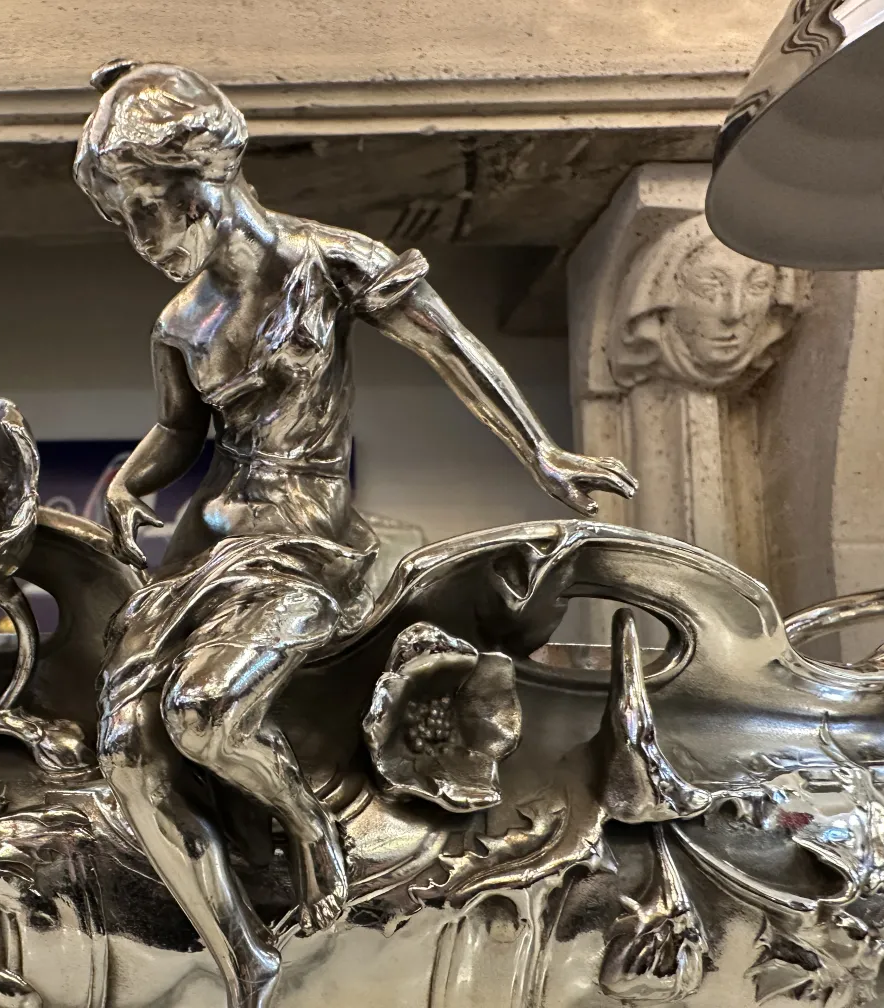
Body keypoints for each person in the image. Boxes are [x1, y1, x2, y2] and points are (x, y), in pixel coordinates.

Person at [75, 59, 637, 1008]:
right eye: (121, 216)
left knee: (205, 716)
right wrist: (126, 485)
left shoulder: (327, 262)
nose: (136, 237)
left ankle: (307, 824)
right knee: (127, 741)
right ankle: (243, 956)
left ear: (199, 179)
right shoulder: (185, 317)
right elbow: (180, 431)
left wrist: (546, 455)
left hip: (311, 540)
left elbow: (454, 351)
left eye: (142, 207)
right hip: (214, 548)